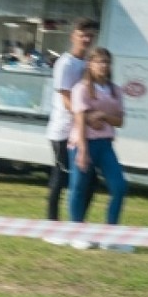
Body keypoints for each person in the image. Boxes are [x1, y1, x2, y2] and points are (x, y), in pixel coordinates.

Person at [67, 47, 128, 246]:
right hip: (83, 142)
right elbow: (80, 120)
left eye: (106, 62)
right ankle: (76, 231)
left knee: (119, 186)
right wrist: (83, 152)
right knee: (79, 187)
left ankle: (110, 233)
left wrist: (102, 116)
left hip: (105, 144)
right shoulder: (81, 89)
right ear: (90, 64)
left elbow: (120, 121)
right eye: (99, 62)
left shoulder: (115, 90)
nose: (103, 66)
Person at [44, 18, 98, 226]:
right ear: (72, 36)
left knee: (89, 179)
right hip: (63, 129)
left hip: (81, 130)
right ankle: (52, 220)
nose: (86, 39)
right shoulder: (65, 63)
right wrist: (86, 117)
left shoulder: (87, 62)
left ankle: (77, 221)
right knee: (61, 176)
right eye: (82, 35)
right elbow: (67, 100)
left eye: (90, 36)